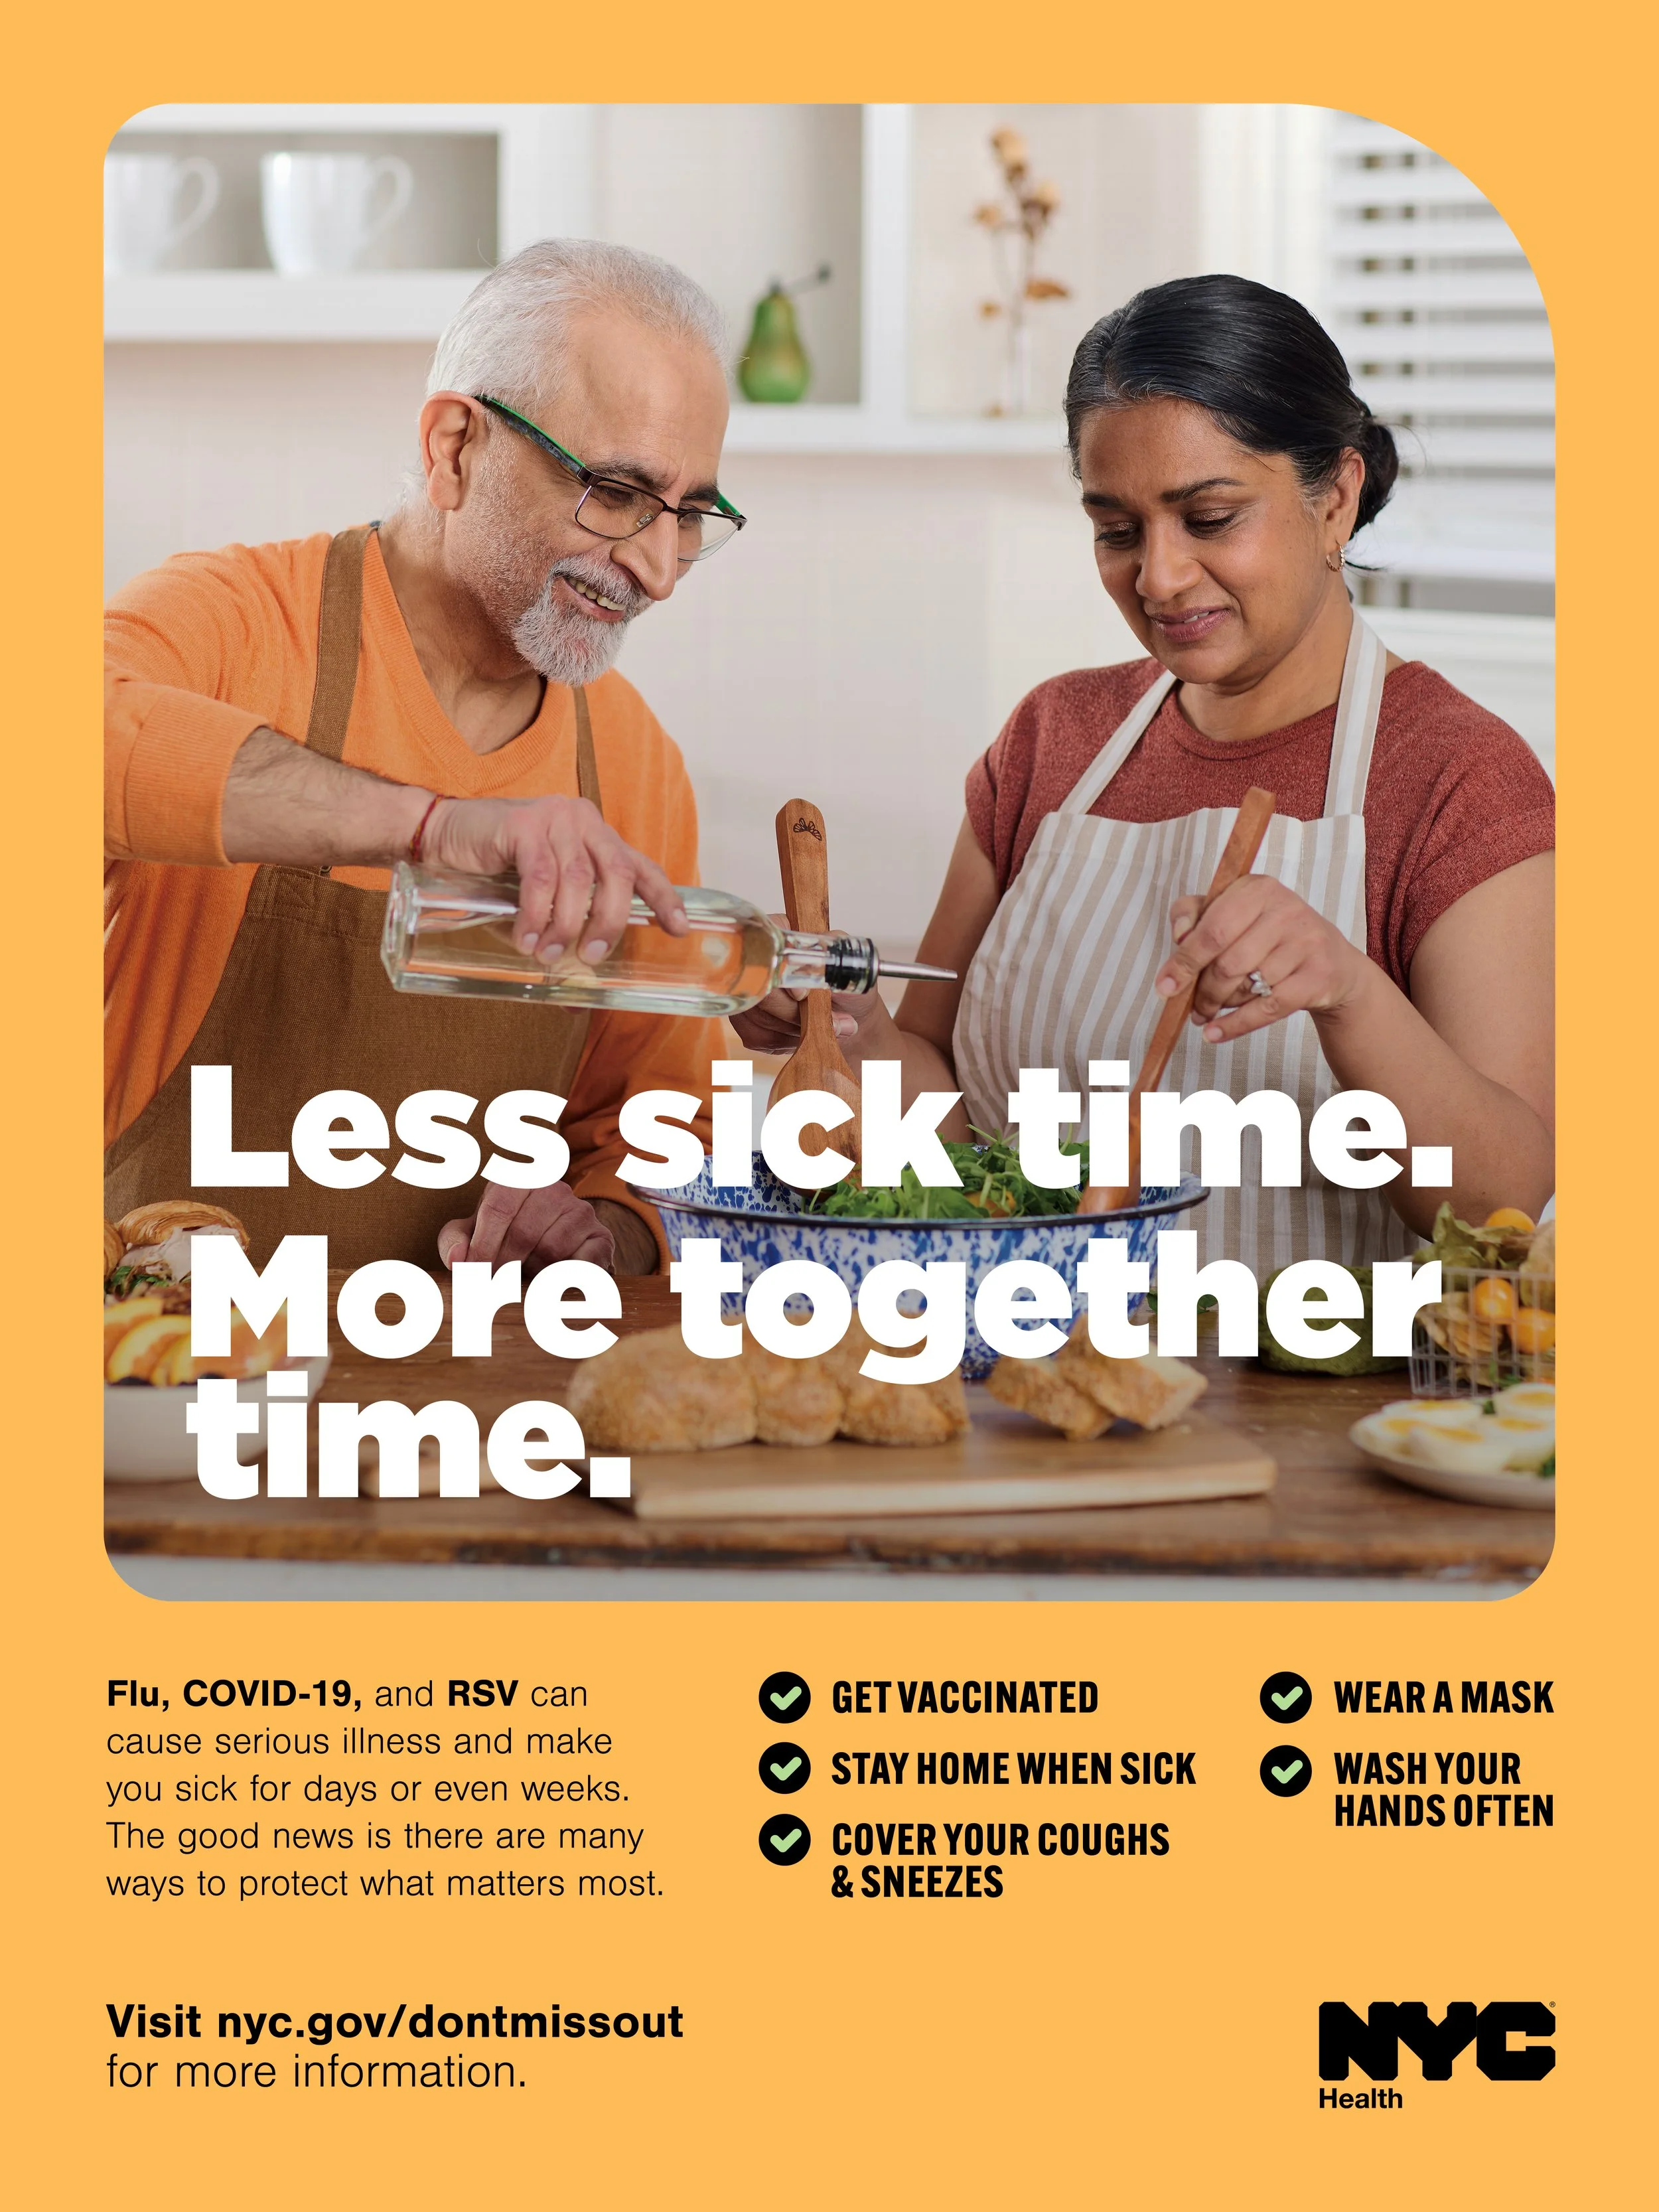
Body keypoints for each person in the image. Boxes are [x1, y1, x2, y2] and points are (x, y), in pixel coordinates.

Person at [734, 275, 1554, 1269]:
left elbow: (1507, 1201)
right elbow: (946, 1111)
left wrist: (1349, 991)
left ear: (1335, 497)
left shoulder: (1456, 776)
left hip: (1302, 1413)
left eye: (1208, 518)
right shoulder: (1053, 740)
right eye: (1116, 530)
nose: (1157, 578)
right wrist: (850, 1028)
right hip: (1026, 1381)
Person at [106, 239, 747, 1274]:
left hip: (471, 1405)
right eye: (618, 493)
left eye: (690, 515)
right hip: (141, 1391)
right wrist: (434, 825)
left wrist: (605, 1233)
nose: (660, 571)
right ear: (455, 448)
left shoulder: (632, 764)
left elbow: (665, 1126)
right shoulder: (233, 627)